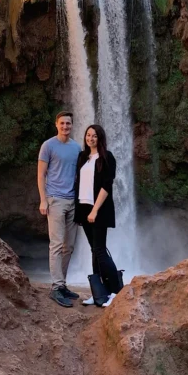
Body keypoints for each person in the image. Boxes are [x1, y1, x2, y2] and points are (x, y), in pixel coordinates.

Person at [74, 124, 122, 307]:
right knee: (95, 251)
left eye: (94, 136)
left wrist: (95, 210)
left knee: (100, 251)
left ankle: (115, 291)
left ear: (100, 138)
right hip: (84, 208)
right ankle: (98, 292)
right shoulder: (82, 157)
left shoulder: (107, 157)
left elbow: (106, 186)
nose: (90, 138)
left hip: (99, 210)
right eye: (88, 135)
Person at [38, 112, 81, 307]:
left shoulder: (76, 147)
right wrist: (43, 200)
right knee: (56, 245)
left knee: (69, 246)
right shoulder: (48, 145)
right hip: (55, 200)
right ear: (56, 124)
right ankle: (56, 287)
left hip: (73, 201)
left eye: (68, 123)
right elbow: (41, 175)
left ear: (72, 125)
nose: (65, 126)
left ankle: (62, 284)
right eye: (62, 123)